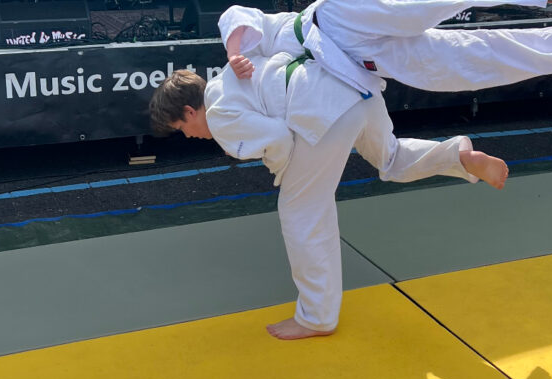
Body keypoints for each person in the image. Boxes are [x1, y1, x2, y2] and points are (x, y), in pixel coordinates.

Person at [149, 62, 511, 341]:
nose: (190, 135)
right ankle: (455, 155)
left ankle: (316, 318)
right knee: (391, 158)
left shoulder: (219, 116)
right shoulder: (232, 72)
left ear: (190, 111)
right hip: (356, 88)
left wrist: (283, 173)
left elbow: (278, 139)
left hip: (323, 111)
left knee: (300, 212)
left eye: (182, 128)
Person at [214, 0, 552, 101]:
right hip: (356, 61)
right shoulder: (248, 100)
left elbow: (235, 14)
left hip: (336, 18)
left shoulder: (237, 64)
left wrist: (234, 53)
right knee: (461, 64)